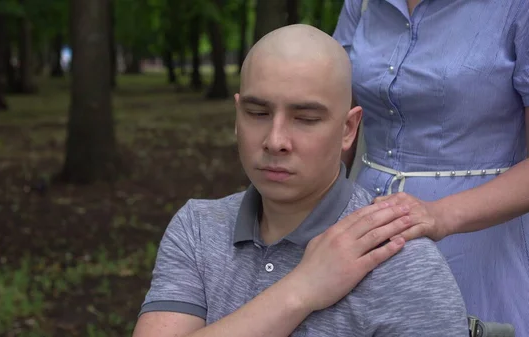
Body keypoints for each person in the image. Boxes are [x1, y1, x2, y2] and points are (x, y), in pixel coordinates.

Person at [133, 24, 468, 337]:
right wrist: (302, 290)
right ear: (237, 116)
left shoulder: (399, 259)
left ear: (348, 130)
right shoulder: (197, 229)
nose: (276, 140)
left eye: (306, 119)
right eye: (258, 113)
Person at [333, 0, 529, 335]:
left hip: (479, 246)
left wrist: (439, 215)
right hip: (361, 231)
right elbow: (338, 121)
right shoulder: (362, 3)